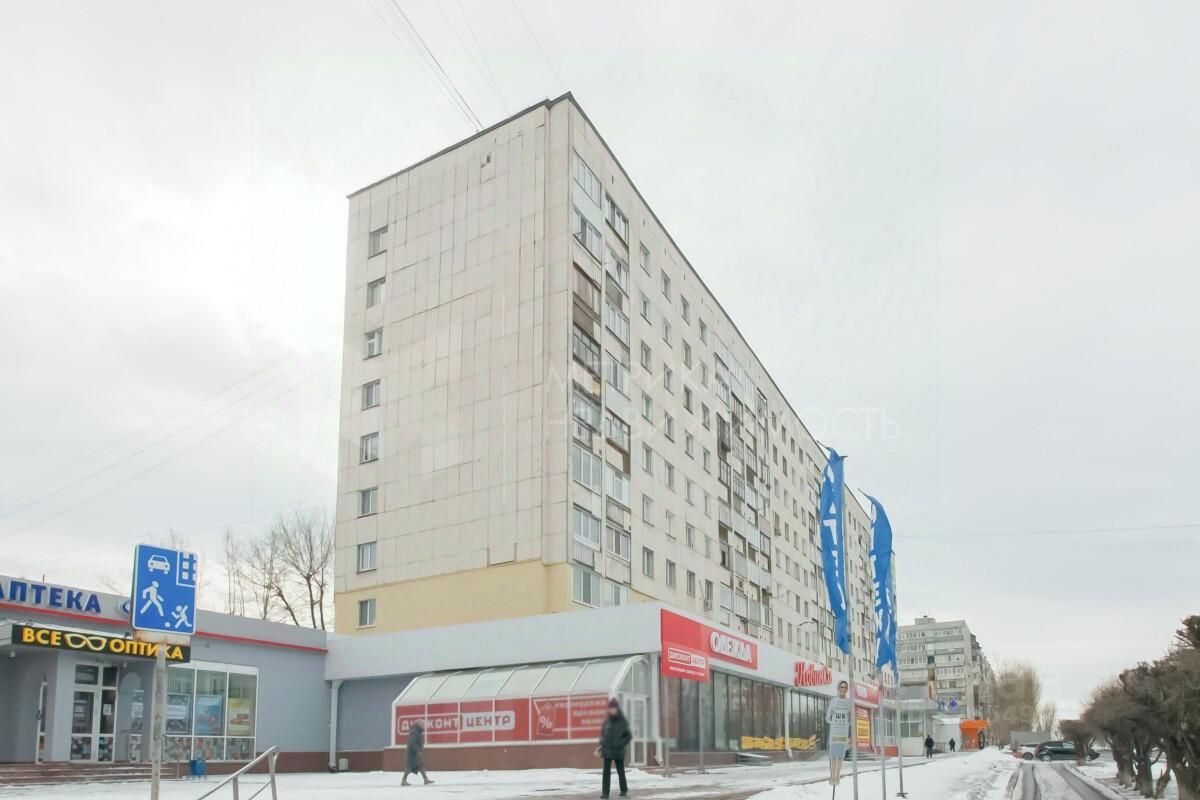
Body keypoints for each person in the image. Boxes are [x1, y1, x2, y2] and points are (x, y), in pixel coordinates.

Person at [595, 698, 631, 798]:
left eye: (614, 708)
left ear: (617, 709)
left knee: (620, 771)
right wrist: (601, 744)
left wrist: (621, 743)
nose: (612, 710)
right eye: (610, 708)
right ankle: (605, 793)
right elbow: (603, 736)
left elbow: (628, 736)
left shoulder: (622, 721)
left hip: (618, 750)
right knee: (606, 772)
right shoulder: (606, 722)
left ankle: (624, 790)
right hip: (607, 750)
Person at [825, 680, 853, 786]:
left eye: (845, 687)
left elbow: (850, 721)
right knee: (833, 756)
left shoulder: (849, 702)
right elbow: (827, 718)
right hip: (834, 734)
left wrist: (849, 717)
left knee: (840, 756)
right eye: (842, 687)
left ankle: (837, 777)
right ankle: (833, 777)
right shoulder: (833, 701)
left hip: (843, 734)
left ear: (847, 689)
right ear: (838, 688)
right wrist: (832, 717)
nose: (843, 689)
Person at [401, 720, 433, 787]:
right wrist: (417, 750)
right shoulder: (415, 732)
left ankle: (425, 779)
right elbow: (412, 742)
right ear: (419, 725)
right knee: (409, 767)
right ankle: (403, 780)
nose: (424, 727)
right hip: (412, 753)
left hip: (416, 753)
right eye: (423, 725)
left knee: (420, 766)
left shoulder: (418, 732)